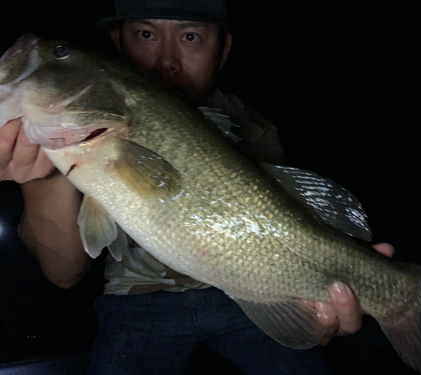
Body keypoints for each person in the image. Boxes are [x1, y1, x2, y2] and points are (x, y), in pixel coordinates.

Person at [0, 0, 395, 373]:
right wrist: (46, 175)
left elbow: (286, 232)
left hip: (244, 297)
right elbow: (63, 273)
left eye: (190, 37)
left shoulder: (253, 127)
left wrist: (316, 297)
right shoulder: (79, 131)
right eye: (146, 35)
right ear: (117, 43)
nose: (166, 61)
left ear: (222, 50)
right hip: (137, 302)